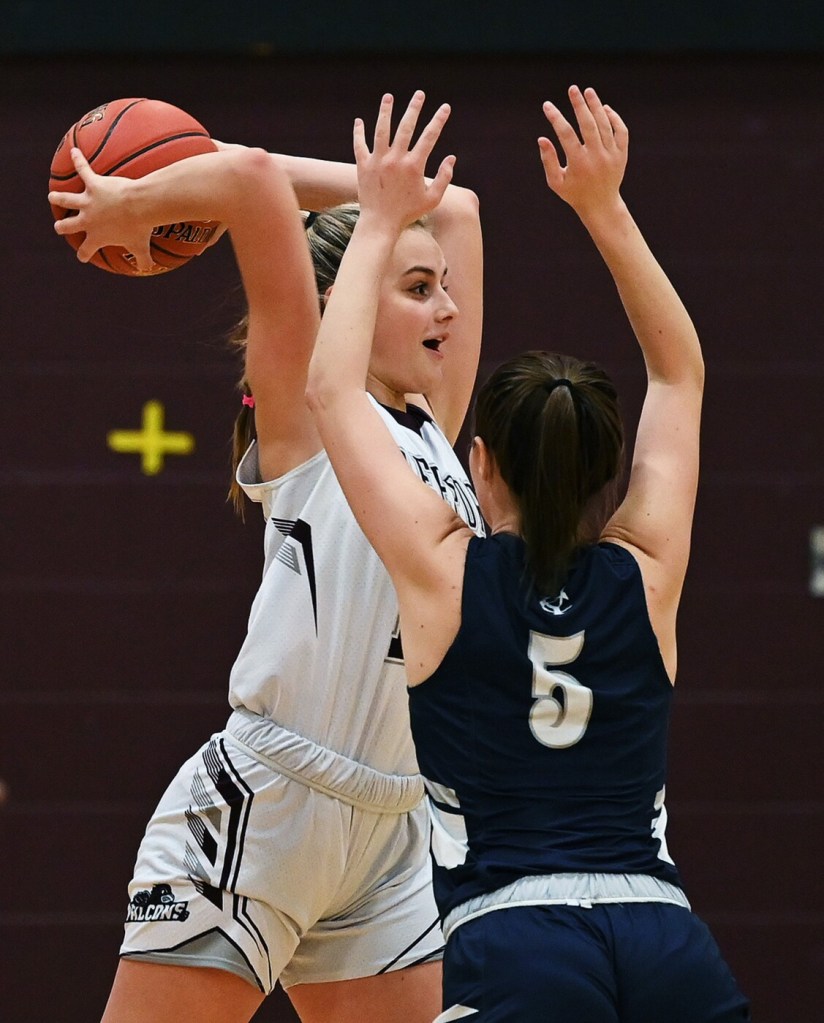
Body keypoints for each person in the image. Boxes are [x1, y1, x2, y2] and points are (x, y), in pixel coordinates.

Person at [306, 87, 751, 1021]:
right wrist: (605, 207)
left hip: (517, 940)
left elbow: (332, 391)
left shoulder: (444, 571)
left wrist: (379, 220)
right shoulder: (647, 572)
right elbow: (680, 373)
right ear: (606, 470)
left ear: (481, 463)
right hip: (666, 938)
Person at [48, 99, 483, 1023]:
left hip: (393, 822)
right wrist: (140, 201)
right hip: (268, 804)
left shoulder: (434, 428)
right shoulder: (312, 405)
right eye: (418, 288)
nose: (447, 307)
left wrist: (384, 203)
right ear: (345, 302)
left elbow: (457, 206)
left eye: (443, 287)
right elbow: (246, 180)